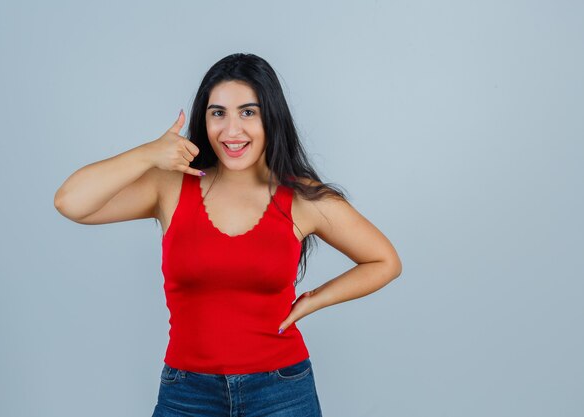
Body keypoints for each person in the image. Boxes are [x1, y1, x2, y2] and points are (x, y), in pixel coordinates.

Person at [54, 52, 402, 416]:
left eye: (248, 112)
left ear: (271, 118)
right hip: (187, 394)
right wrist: (147, 154)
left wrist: (314, 299)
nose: (231, 130)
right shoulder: (170, 187)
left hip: (281, 392)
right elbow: (71, 202)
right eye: (218, 113)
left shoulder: (302, 197)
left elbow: (384, 261)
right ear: (204, 121)